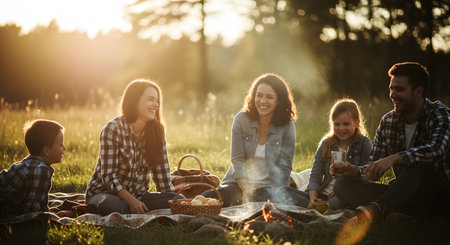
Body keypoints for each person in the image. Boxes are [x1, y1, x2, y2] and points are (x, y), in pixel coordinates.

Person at [333, 62, 450, 222]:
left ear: (419, 91)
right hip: (404, 193)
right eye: (391, 88)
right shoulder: (388, 120)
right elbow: (373, 168)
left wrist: (395, 158)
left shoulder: (439, 114)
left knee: (417, 164)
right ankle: (406, 214)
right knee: (342, 184)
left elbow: (436, 150)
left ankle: (375, 211)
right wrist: (355, 171)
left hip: (440, 193)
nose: (392, 94)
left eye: (399, 89)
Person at [85, 79, 182, 215]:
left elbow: (163, 176)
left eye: (157, 100)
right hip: (104, 194)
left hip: (139, 195)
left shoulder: (157, 131)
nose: (156, 104)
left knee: (179, 201)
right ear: (134, 100)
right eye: (150, 99)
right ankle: (131, 208)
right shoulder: (112, 128)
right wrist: (131, 201)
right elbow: (108, 176)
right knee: (115, 206)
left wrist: (173, 199)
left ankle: (135, 209)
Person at [202, 73, 298, 207]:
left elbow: (285, 165)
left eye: (269, 97)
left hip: (268, 188)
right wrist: (246, 188)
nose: (262, 101)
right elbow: (237, 159)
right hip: (238, 184)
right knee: (209, 197)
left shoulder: (287, 126)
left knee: (297, 201)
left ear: (279, 101)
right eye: (259, 95)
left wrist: (278, 194)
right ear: (253, 97)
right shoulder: (241, 120)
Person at [287, 99, 372, 210]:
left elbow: (367, 175)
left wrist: (339, 190)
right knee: (282, 191)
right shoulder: (326, 143)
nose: (341, 128)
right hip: (322, 195)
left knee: (341, 199)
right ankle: (317, 207)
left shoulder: (364, 144)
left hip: (343, 194)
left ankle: (317, 210)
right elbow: (315, 174)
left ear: (357, 123)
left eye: (346, 124)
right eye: (337, 124)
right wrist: (313, 197)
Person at [0, 119, 66, 218]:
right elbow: (31, 210)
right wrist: (56, 215)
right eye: (61, 145)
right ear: (46, 151)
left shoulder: (30, 161)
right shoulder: (41, 170)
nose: (64, 148)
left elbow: (40, 202)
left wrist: (49, 210)